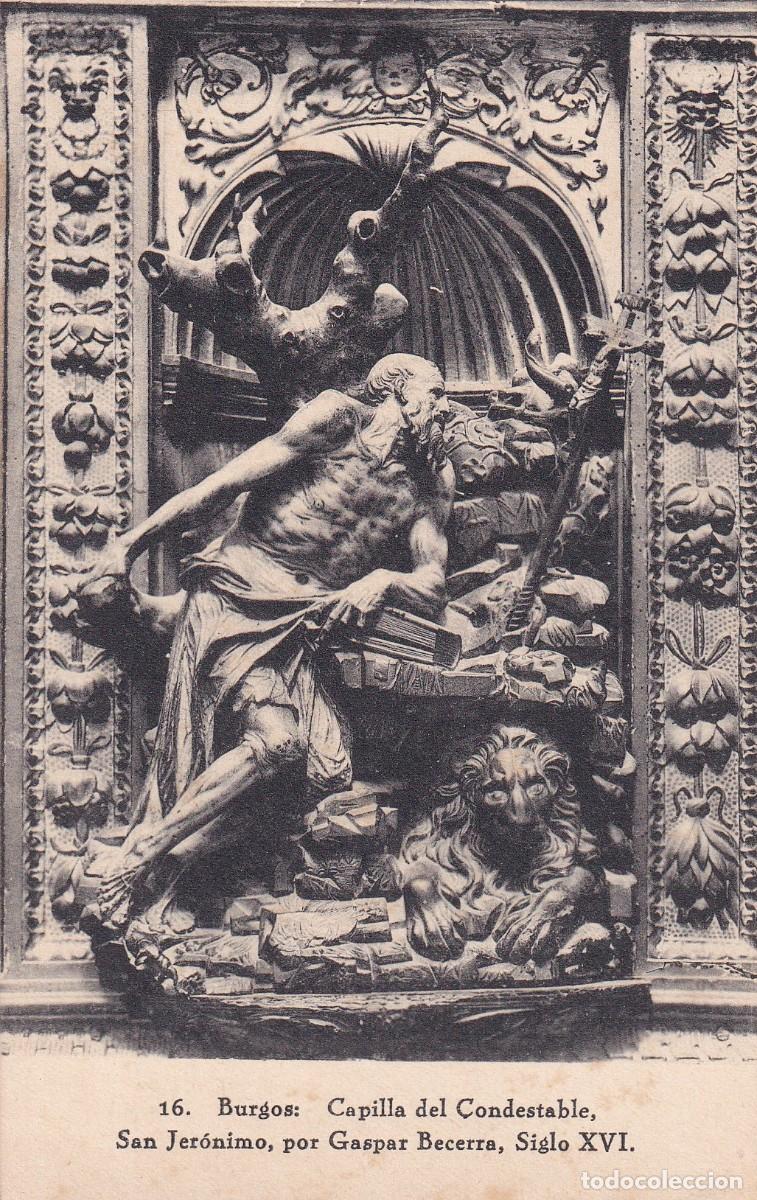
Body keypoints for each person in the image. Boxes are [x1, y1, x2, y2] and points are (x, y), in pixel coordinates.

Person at [86, 353, 454, 929]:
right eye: (435, 391)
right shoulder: (336, 419)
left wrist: (385, 579)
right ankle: (140, 858)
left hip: (306, 627)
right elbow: (223, 484)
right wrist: (128, 545)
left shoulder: (432, 479)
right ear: (396, 389)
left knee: (326, 773)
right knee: (279, 743)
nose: (444, 405)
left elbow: (433, 583)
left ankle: (169, 859)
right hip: (238, 594)